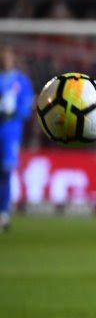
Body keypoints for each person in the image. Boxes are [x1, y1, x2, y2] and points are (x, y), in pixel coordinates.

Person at [0, 45, 33, 232]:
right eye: (3, 56)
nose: (5, 59)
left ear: (13, 58)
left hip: (10, 131)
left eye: (8, 56)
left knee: (5, 171)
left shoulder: (22, 81)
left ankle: (4, 213)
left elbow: (27, 108)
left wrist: (13, 111)